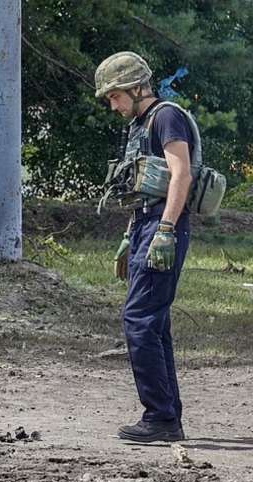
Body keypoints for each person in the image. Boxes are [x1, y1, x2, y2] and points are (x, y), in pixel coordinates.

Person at [95, 51, 196, 442]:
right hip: (145, 224)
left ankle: (160, 418)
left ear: (137, 88)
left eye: (116, 95)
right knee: (154, 325)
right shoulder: (140, 123)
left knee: (139, 321)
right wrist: (128, 235)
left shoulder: (166, 116)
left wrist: (166, 229)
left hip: (162, 224)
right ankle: (168, 415)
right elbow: (141, 188)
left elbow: (180, 175)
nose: (113, 104)